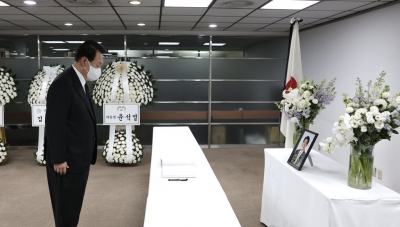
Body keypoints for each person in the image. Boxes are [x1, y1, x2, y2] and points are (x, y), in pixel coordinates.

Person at [44, 40, 106, 227]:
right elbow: (55, 124)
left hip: (79, 159)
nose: (99, 69)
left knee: (73, 207)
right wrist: (59, 158)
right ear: (85, 61)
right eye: (98, 65)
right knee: (66, 211)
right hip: (66, 162)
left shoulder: (81, 83)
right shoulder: (63, 83)